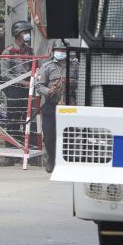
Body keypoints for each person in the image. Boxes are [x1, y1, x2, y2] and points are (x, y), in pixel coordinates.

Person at [36, 39, 77, 173]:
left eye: (63, 50)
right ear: (53, 52)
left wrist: (71, 82)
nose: (61, 53)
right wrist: (49, 91)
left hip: (69, 105)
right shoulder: (46, 67)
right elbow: (39, 85)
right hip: (50, 104)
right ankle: (52, 159)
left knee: (69, 134)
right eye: (58, 50)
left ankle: (66, 161)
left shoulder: (75, 66)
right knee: (49, 136)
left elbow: (82, 82)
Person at [0, 20, 34, 167]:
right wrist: (22, 82)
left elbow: (34, 67)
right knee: (12, 121)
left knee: (28, 121)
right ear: (17, 34)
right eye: (24, 32)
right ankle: (10, 154)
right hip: (14, 90)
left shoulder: (30, 51)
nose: (27, 35)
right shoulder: (8, 52)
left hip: (29, 90)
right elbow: (5, 74)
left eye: (28, 32)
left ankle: (28, 152)